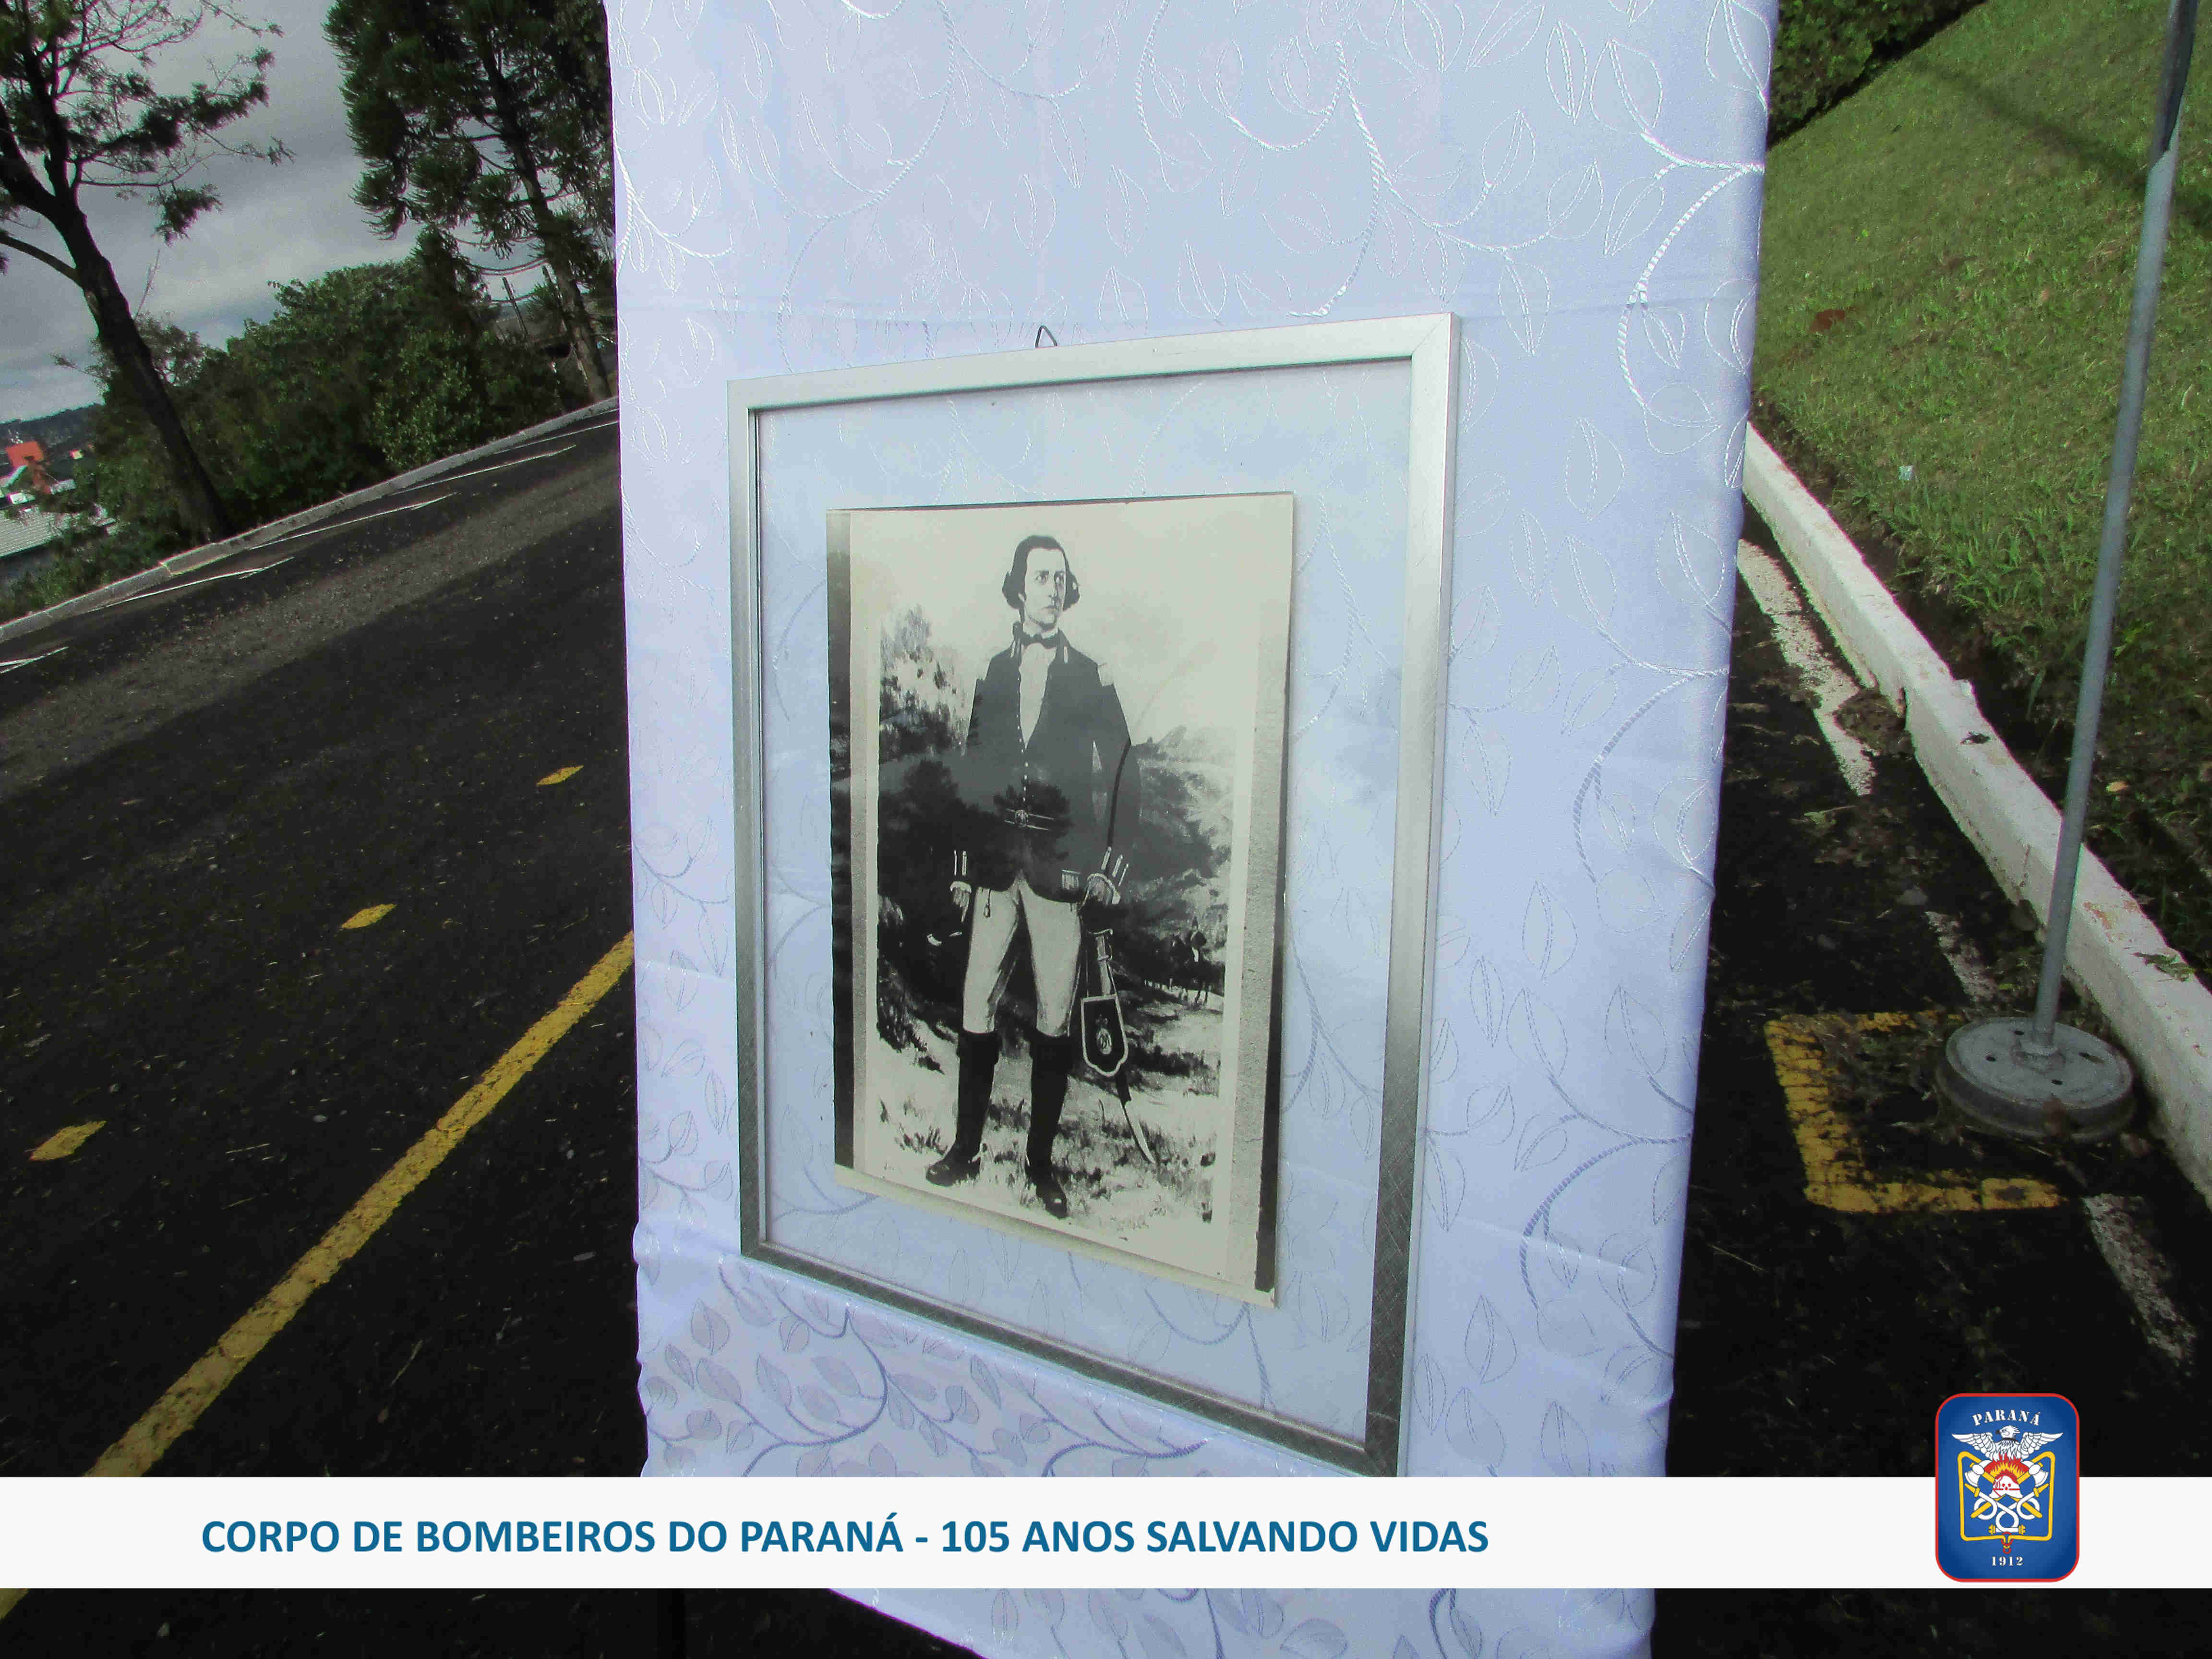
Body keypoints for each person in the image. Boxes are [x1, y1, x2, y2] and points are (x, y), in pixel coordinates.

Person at [926, 533, 1141, 1219]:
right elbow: (972, 773)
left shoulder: (1092, 676)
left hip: (1062, 875)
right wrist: (964, 873)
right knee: (975, 1005)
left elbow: (1127, 771)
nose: (1052, 588)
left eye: (1061, 578)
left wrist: (1109, 870)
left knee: (1054, 1018)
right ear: (1018, 587)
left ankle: (1041, 1167)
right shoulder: (993, 672)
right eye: (1041, 576)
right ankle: (965, 1151)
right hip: (996, 868)